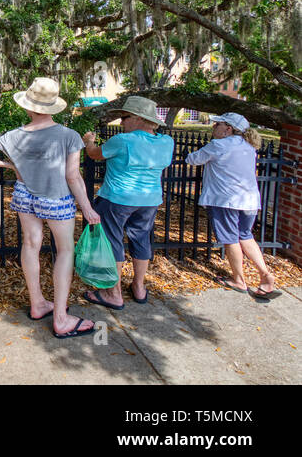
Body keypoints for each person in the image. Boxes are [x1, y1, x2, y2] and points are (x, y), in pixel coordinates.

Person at [0, 77, 101, 338]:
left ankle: (38, 303)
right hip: (56, 199)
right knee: (64, 251)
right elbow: (73, 177)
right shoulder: (69, 136)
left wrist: (11, 166)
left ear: (29, 107)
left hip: (24, 197)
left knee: (30, 246)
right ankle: (61, 319)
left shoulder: (14, 135)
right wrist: (87, 207)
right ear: (53, 107)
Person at [80, 96, 174, 310]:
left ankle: (114, 294)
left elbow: (94, 154)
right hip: (149, 200)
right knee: (141, 240)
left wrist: (89, 141)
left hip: (117, 198)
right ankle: (139, 288)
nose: (121, 122)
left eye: (124, 117)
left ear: (139, 118)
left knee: (113, 242)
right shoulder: (166, 142)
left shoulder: (123, 141)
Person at [186, 113, 277, 300]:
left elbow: (192, 159)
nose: (213, 127)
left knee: (231, 239)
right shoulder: (249, 147)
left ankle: (238, 280)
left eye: (217, 124)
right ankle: (265, 274)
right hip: (250, 199)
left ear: (228, 129)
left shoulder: (219, 145)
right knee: (245, 235)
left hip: (225, 199)